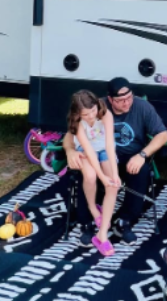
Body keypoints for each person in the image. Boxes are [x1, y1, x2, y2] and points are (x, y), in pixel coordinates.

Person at [64, 77, 167, 246]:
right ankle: (88, 222)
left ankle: (125, 221)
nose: (127, 103)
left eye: (129, 98)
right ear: (110, 99)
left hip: (129, 156)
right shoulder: (96, 108)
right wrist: (69, 151)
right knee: (87, 175)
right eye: (120, 101)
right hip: (97, 154)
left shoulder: (142, 107)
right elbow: (70, 135)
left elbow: (163, 135)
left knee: (140, 172)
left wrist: (142, 155)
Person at [66, 90, 120, 256]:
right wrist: (101, 177)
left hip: (104, 149)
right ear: (77, 114)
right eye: (85, 114)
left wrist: (114, 175)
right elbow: (89, 151)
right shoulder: (77, 123)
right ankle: (93, 208)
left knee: (113, 186)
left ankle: (102, 234)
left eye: (92, 112)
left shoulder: (105, 114)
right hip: (86, 150)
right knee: (90, 176)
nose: (90, 117)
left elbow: (110, 146)